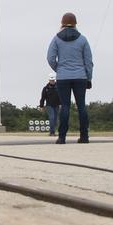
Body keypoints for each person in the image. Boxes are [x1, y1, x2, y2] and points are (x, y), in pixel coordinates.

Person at [47, 12, 94, 144]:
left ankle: (62, 137)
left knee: (65, 106)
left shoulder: (56, 39)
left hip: (63, 78)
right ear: (75, 24)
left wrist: (59, 69)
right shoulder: (83, 39)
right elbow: (88, 61)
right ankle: (84, 136)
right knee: (81, 107)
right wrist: (88, 77)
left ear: (62, 24)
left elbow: (50, 58)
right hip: (80, 77)